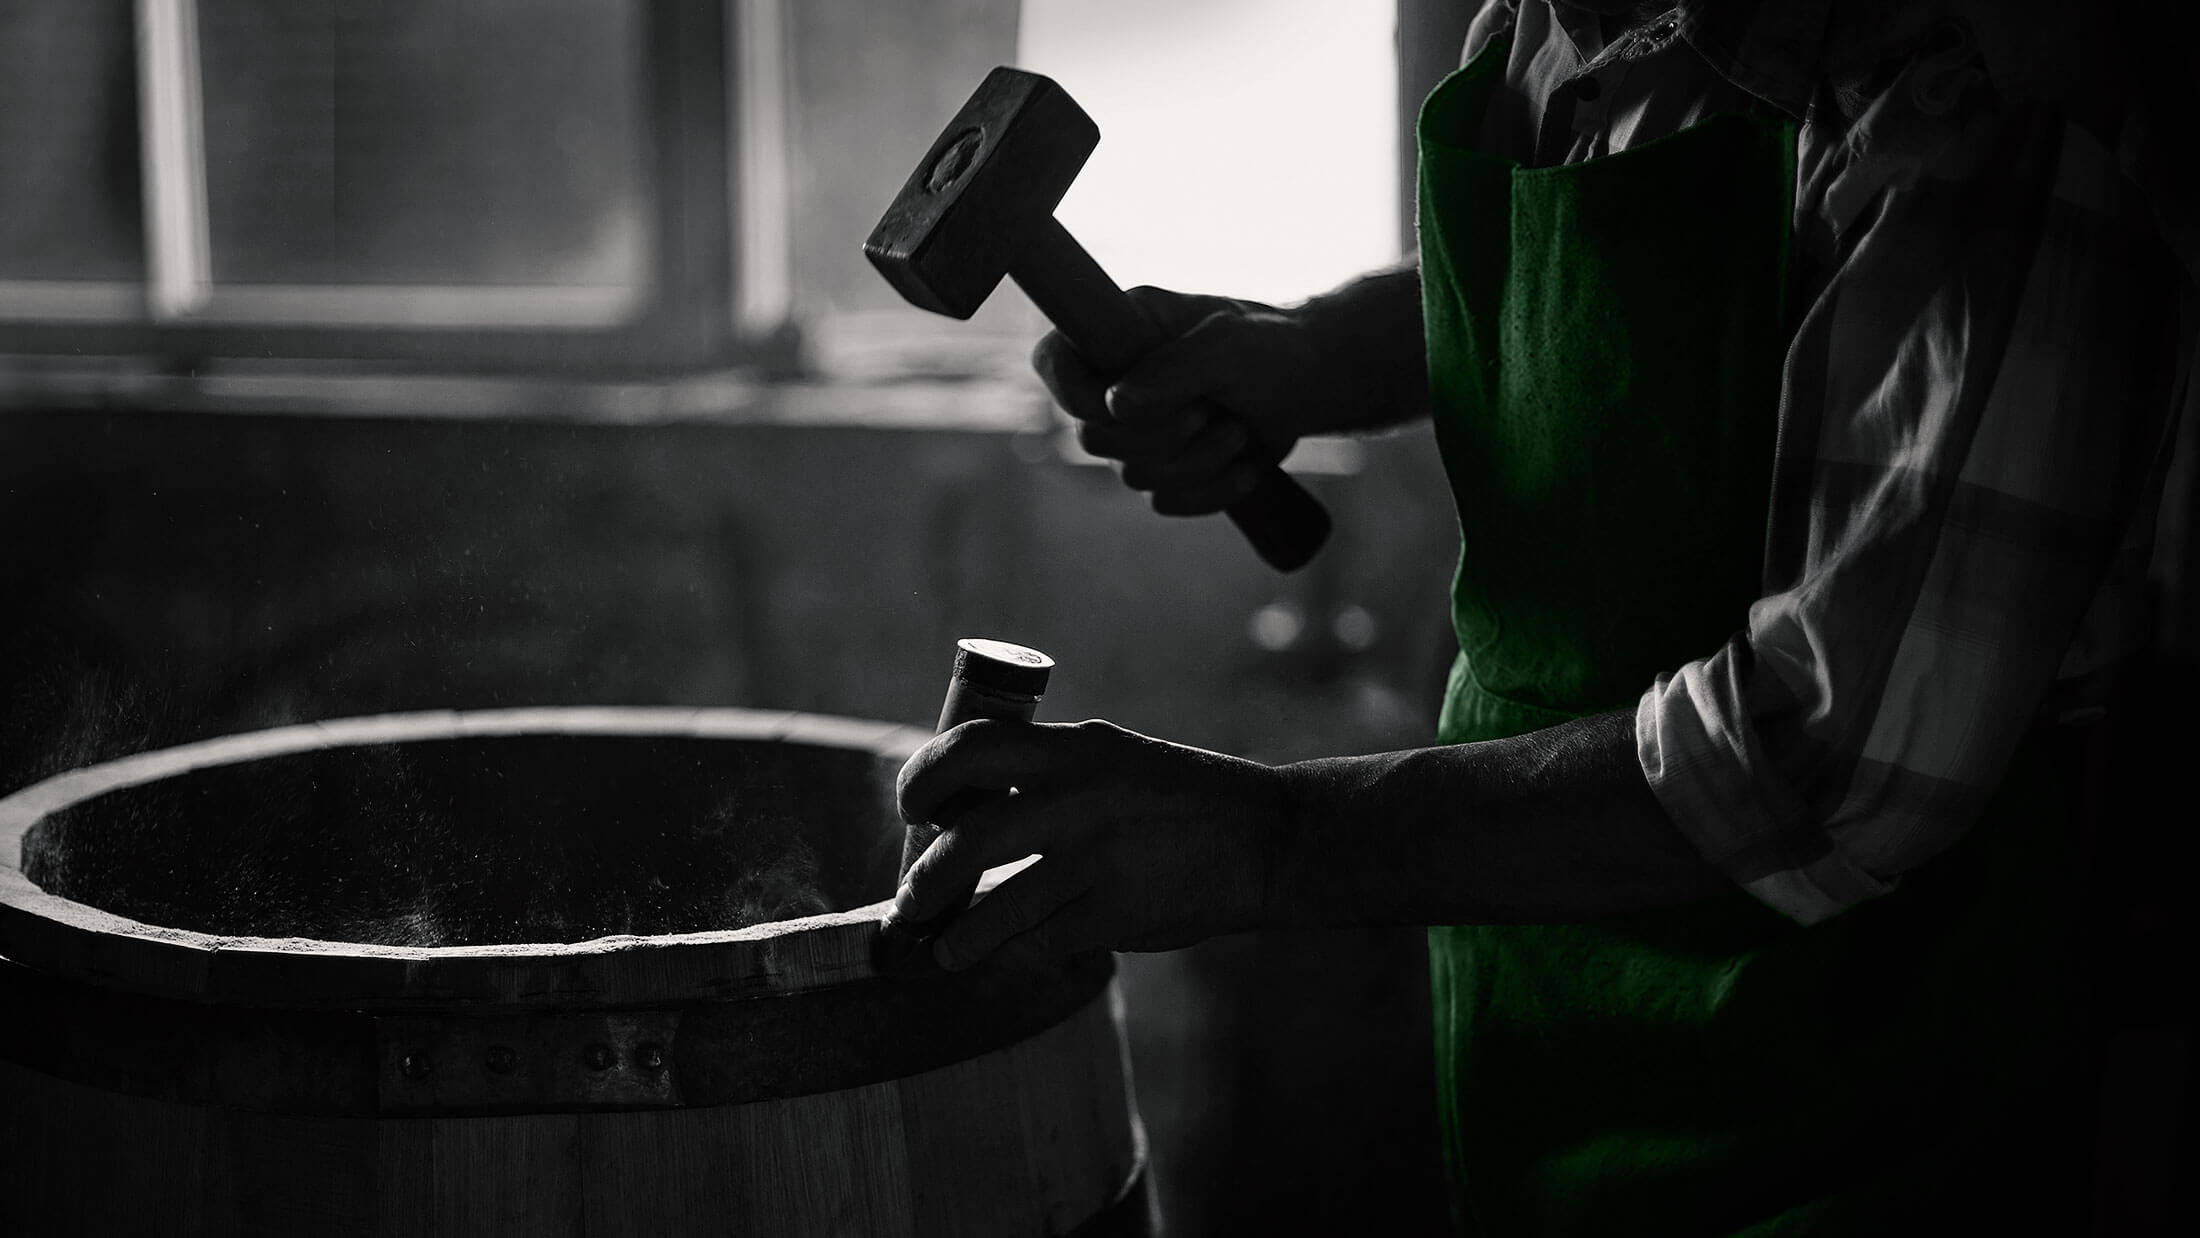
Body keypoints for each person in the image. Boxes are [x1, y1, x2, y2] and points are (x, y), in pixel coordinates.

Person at [884, 1, 2197, 1231]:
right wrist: (1317, 349)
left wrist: (1269, 842)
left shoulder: (1962, 93)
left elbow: (1824, 760)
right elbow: (1663, 284)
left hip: (1860, 1064)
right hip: (1537, 981)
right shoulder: (1551, 25)